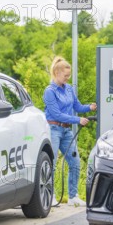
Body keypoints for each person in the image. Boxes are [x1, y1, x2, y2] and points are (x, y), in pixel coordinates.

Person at [43, 57, 97, 206]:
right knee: (52, 163)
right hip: (54, 129)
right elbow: (56, 114)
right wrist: (77, 120)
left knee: (75, 162)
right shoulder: (50, 91)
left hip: (66, 131)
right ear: (56, 73)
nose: (67, 78)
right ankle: (50, 196)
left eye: (69, 75)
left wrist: (89, 108)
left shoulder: (69, 89)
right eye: (65, 75)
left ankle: (73, 196)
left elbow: (77, 107)